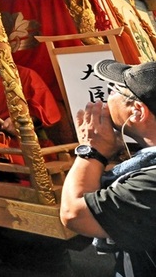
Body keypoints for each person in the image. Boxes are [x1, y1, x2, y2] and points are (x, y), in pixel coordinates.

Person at [60, 59, 156, 275]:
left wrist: (91, 149)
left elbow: (74, 213)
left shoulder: (150, 183)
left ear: (137, 112)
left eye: (113, 89)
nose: (105, 98)